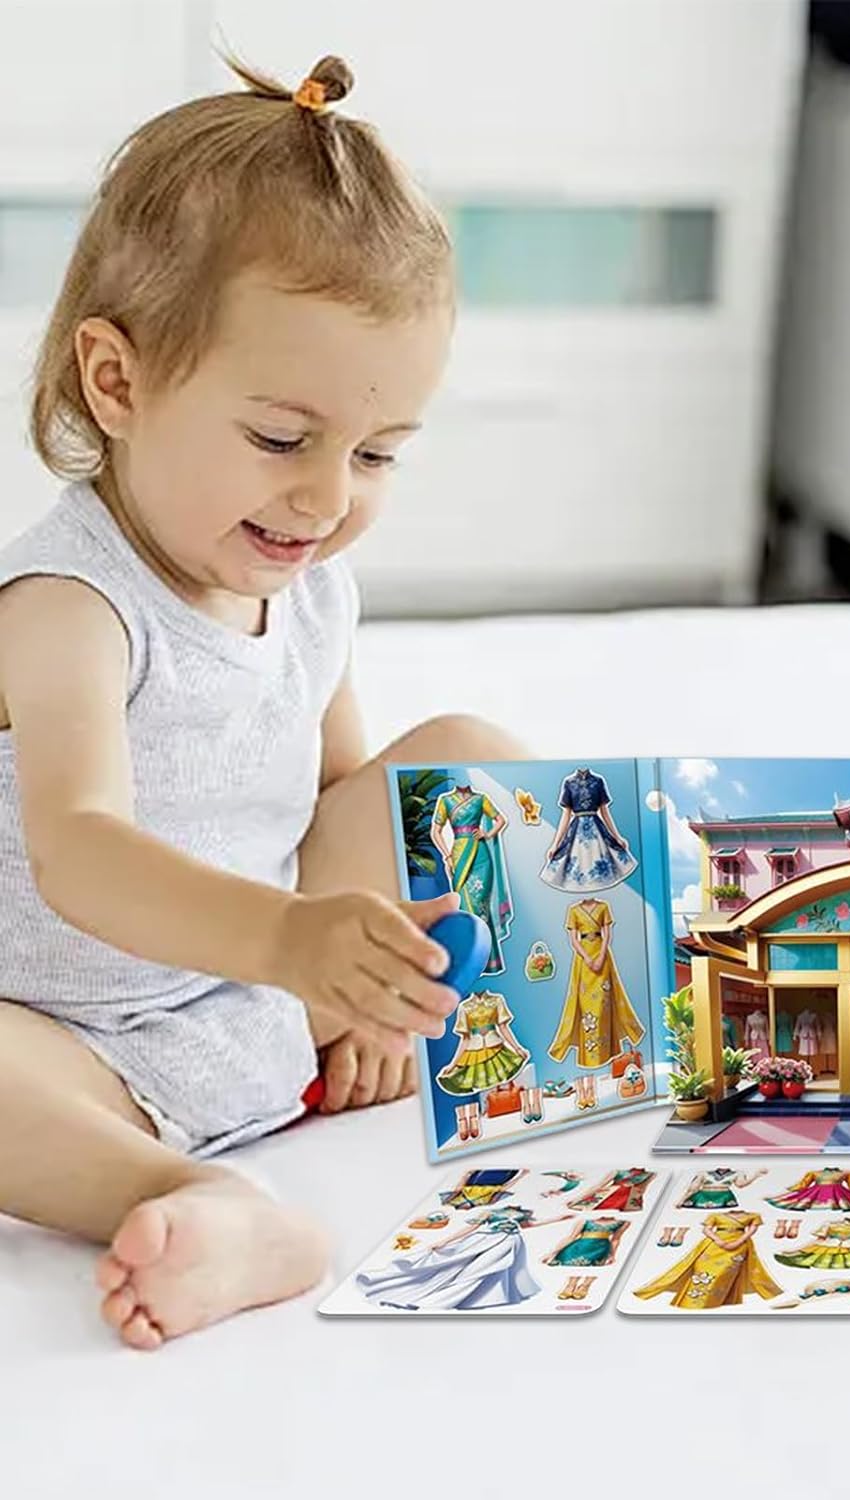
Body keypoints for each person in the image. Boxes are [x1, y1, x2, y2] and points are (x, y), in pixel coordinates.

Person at [0, 53, 526, 1349]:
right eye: (283, 441)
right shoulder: (68, 605)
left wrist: (371, 973)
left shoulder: (311, 587)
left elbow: (333, 798)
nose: (328, 497)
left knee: (473, 756)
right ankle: (188, 1198)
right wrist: (291, 945)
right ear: (117, 385)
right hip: (71, 1033)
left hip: (262, 1003)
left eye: (378, 453)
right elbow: (79, 852)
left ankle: (430, 1028)